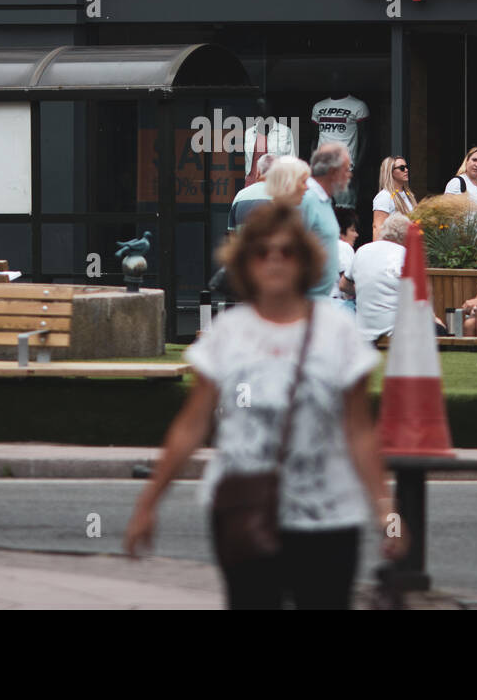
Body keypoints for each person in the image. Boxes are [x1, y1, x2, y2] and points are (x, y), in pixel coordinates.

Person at [123, 203, 402, 609]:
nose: (274, 260)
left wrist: (387, 515)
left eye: (287, 251)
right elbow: (192, 424)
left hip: (328, 518)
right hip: (244, 511)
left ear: (305, 261)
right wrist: (148, 504)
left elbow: (359, 431)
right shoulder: (228, 333)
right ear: (245, 263)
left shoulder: (338, 332)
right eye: (261, 252)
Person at [343, 212, 410, 342]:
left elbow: (343, 285)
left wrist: (366, 289)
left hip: (363, 330)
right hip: (395, 331)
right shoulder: (405, 255)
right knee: (438, 328)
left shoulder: (362, 250)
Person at [299, 142, 351, 301]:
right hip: (307, 304)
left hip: (322, 302)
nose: (350, 175)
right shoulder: (305, 199)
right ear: (333, 172)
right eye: (347, 169)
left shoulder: (324, 200)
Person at [372, 156, 416, 239]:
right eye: (402, 168)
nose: (406, 170)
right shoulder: (384, 196)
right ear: (390, 172)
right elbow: (378, 228)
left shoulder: (408, 195)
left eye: (406, 167)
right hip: (393, 246)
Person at [228, 153, 275, 231]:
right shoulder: (283, 198)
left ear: (258, 173)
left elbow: (231, 233)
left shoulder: (240, 196)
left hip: (244, 243)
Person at [331, 207, 359, 314]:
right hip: (340, 307)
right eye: (352, 230)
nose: (356, 235)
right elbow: (346, 285)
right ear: (340, 231)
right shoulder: (343, 247)